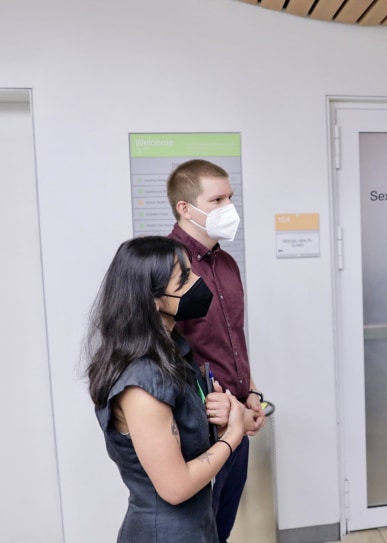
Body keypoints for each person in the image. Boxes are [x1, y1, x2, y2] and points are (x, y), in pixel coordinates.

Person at [86, 236, 247, 542]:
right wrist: (233, 436)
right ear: (151, 299)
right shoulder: (142, 382)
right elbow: (175, 487)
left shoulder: (174, 352)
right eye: (185, 278)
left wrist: (217, 416)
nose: (198, 281)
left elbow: (185, 430)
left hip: (198, 526)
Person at [166, 158, 266, 542]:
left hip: (237, 418)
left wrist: (252, 393)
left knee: (221, 527)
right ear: (185, 208)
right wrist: (214, 406)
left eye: (231, 198)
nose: (229, 208)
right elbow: (163, 352)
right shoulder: (167, 264)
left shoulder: (226, 263)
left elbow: (232, 338)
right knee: (197, 530)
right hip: (198, 423)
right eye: (217, 199)